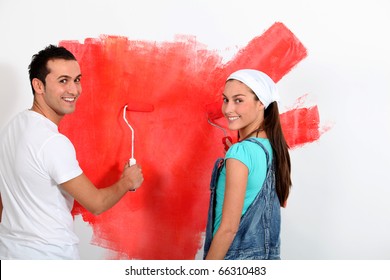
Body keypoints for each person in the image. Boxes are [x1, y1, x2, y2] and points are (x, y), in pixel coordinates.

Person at [0, 45, 144, 259]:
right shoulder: (52, 142)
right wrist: (127, 182)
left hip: (10, 254)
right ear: (38, 85)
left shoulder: (13, 126)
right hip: (50, 258)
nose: (74, 90)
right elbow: (96, 204)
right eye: (63, 81)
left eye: (77, 79)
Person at [203, 69, 292, 260]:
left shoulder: (240, 153)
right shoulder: (275, 148)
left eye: (238, 100)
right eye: (226, 99)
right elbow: (277, 202)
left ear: (261, 103)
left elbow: (228, 229)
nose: (227, 109)